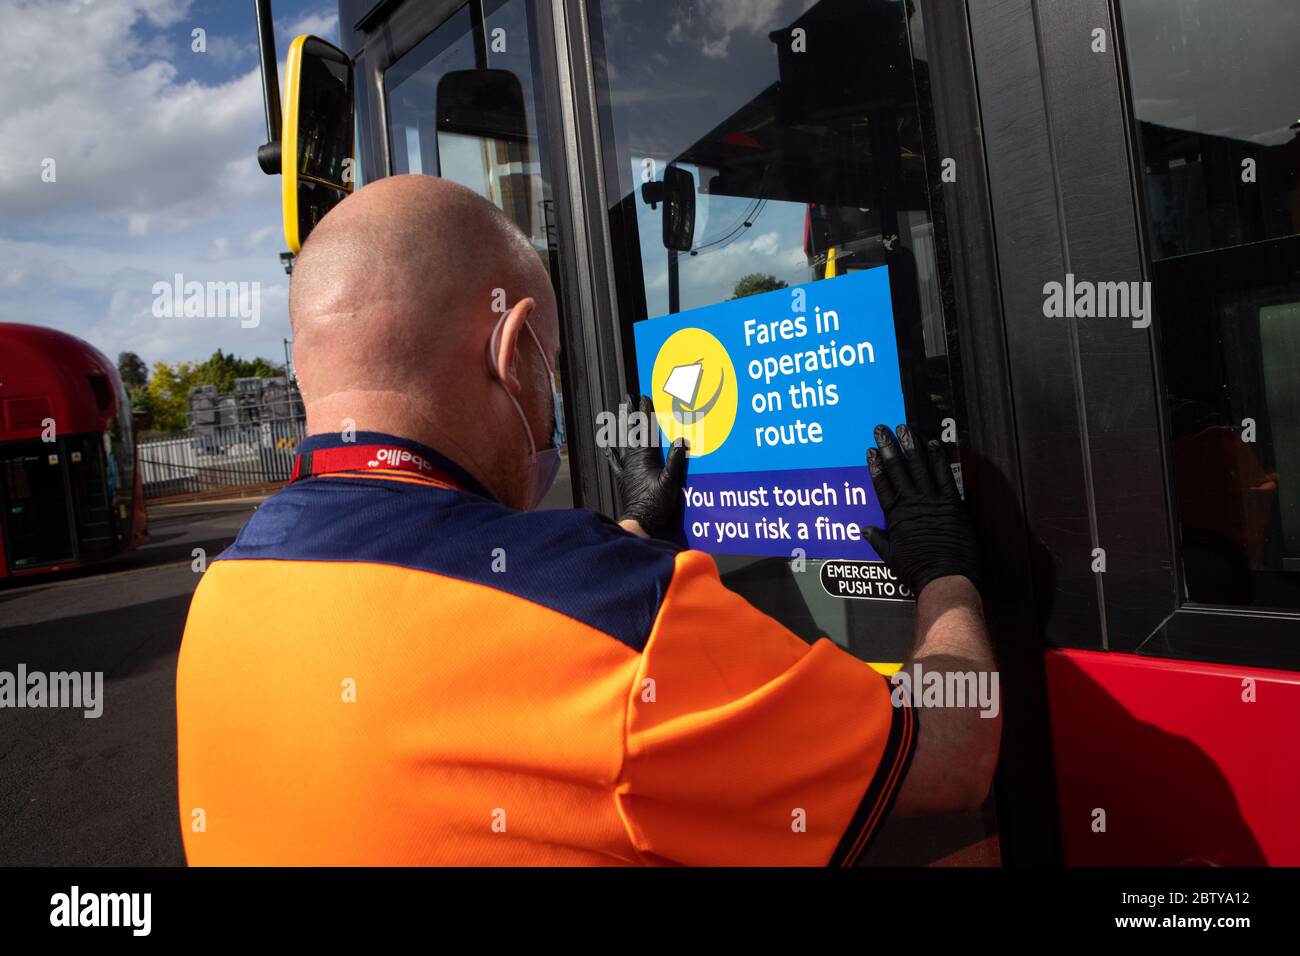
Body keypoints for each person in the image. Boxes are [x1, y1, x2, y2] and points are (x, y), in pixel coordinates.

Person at [176, 175, 998, 866]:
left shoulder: (224, 598)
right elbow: (951, 757)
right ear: (514, 347)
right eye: (556, 366)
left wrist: (635, 529)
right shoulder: (626, 623)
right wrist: (942, 569)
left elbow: (472, 651)